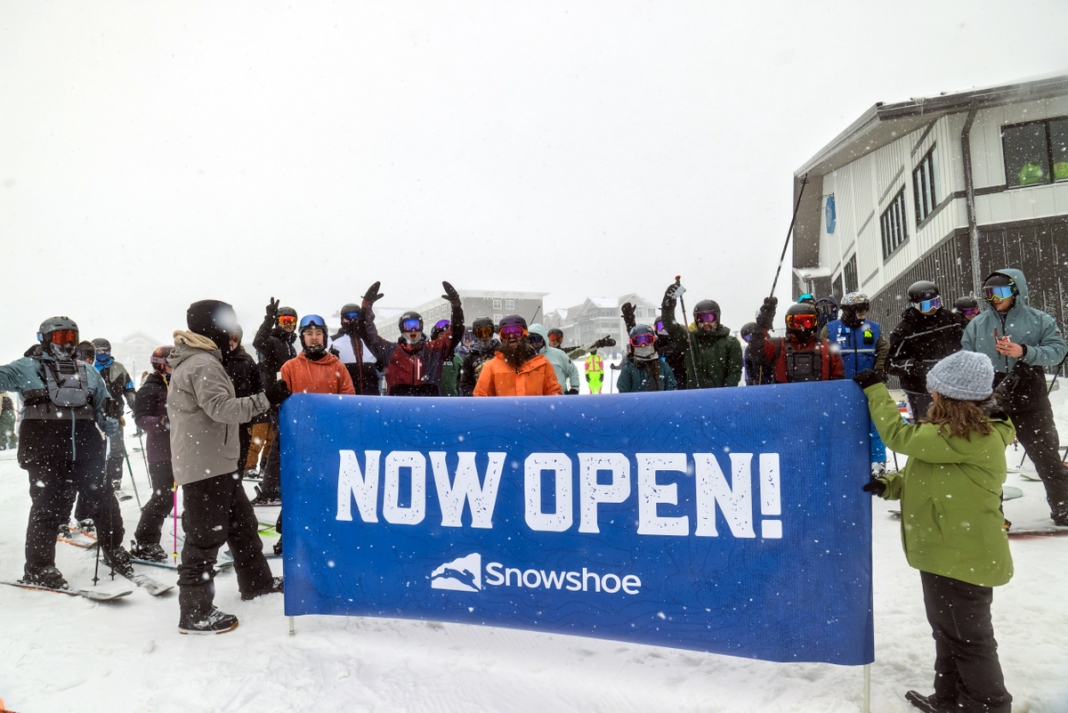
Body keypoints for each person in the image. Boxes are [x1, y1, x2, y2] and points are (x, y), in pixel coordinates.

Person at [855, 351, 1013, 713]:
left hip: (961, 558)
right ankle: (949, 699)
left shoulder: (970, 436)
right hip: (949, 554)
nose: (931, 394)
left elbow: (898, 436)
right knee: (949, 633)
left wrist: (876, 391)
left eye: (936, 390)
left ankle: (988, 705)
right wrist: (890, 485)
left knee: (969, 640)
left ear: (951, 397)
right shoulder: (955, 435)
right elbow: (929, 471)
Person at [168, 299, 290, 634]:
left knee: (242, 527)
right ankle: (194, 612)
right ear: (212, 326)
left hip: (217, 463)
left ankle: (256, 583)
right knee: (204, 538)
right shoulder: (202, 363)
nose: (231, 330)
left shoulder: (203, 359)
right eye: (226, 322)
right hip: (204, 467)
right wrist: (267, 398)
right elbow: (222, 409)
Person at [0, 317, 128, 589]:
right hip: (43, 449)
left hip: (86, 447)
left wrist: (109, 421)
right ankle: (39, 567)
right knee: (47, 507)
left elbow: (102, 404)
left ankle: (113, 548)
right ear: (45, 339)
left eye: (72, 337)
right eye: (61, 338)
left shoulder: (88, 371)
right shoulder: (26, 367)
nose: (68, 344)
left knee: (103, 499)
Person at [962, 269, 1068, 526]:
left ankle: (1064, 508)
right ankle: (992, 515)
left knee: (1046, 455)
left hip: (1031, 394)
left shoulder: (1039, 319)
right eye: (989, 293)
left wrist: (1025, 351)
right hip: (991, 396)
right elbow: (965, 358)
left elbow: (1059, 350)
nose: (994, 298)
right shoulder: (977, 325)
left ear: (1016, 291)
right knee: (986, 459)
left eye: (1000, 292)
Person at [822, 292, 890, 474]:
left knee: (874, 424)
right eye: (859, 308)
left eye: (866, 307)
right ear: (847, 310)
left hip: (868, 385)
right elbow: (822, 354)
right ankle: (846, 460)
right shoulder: (830, 329)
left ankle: (877, 462)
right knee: (843, 425)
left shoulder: (873, 328)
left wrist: (880, 370)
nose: (863, 312)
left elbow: (883, 350)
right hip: (841, 386)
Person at [360, 281, 464, 396]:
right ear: (402, 329)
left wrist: (456, 305)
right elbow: (368, 334)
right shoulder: (390, 351)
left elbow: (455, 333)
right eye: (408, 326)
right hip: (399, 404)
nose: (413, 330)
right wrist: (366, 306)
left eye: (416, 325)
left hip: (428, 403)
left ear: (421, 327)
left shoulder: (432, 350)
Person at [887, 280, 964, 422]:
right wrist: (918, 367)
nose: (933, 308)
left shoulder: (952, 320)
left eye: (936, 303)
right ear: (915, 305)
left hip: (953, 385)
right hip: (921, 390)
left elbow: (968, 345)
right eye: (927, 305)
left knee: (958, 425)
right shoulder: (904, 330)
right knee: (929, 428)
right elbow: (891, 363)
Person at [130, 346, 176, 563]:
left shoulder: (182, 383)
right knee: (164, 497)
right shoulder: (150, 388)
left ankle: (198, 533)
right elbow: (140, 418)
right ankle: (145, 540)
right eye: (172, 363)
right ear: (160, 366)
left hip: (185, 450)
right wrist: (162, 422)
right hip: (161, 452)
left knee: (194, 495)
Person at [251, 299, 298, 506]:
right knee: (279, 443)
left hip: (285, 397)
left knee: (281, 442)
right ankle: (271, 488)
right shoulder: (272, 340)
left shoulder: (290, 345)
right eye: (284, 320)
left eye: (291, 321)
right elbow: (258, 341)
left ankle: (276, 485)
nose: (287, 324)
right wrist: (269, 318)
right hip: (275, 397)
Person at [660, 284, 743, 388]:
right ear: (696, 320)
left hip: (721, 395)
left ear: (717, 318)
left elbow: (734, 372)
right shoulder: (689, 341)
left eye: (710, 317)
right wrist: (668, 305)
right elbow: (670, 325)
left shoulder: (731, 343)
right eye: (701, 318)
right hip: (695, 396)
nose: (706, 322)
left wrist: (724, 393)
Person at [748, 299, 845, 383]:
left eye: (807, 322)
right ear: (788, 324)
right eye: (796, 323)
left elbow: (839, 381)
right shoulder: (777, 346)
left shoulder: (828, 348)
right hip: (785, 396)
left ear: (815, 323)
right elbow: (756, 348)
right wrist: (763, 325)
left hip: (820, 396)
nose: (802, 327)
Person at [90, 338, 137, 494]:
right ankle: (98, 479)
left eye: (105, 350)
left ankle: (115, 478)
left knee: (116, 449)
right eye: (98, 351)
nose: (102, 354)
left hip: (115, 414)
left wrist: (135, 405)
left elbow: (129, 388)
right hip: (95, 415)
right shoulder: (90, 368)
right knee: (98, 448)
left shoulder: (119, 368)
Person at [474, 315, 562, 397]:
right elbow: (481, 399)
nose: (511, 336)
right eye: (506, 333)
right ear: (501, 338)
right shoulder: (491, 367)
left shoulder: (543, 365)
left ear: (525, 335)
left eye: (517, 332)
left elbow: (554, 397)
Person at [222, 325, 262, 477]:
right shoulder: (214, 360)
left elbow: (258, 389)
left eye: (235, 339)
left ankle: (236, 484)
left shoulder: (246, 361)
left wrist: (253, 417)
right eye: (228, 338)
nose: (231, 342)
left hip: (242, 421)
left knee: (239, 461)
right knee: (221, 466)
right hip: (220, 421)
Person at [329, 303, 380, 396]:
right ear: (342, 319)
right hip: (345, 397)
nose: (352, 320)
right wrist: (330, 359)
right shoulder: (332, 341)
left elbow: (384, 367)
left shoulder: (370, 341)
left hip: (371, 397)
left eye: (356, 316)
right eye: (348, 316)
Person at [616, 325, 677, 393]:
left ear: (654, 342)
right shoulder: (628, 369)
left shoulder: (663, 366)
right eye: (637, 341)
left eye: (647, 340)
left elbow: (671, 393)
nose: (643, 344)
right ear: (632, 345)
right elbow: (624, 395)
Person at [529, 324, 581, 394]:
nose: (534, 343)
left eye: (537, 339)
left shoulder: (558, 354)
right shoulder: (524, 358)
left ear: (544, 339)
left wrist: (574, 389)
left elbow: (572, 370)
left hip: (559, 396)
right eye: (530, 340)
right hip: (536, 398)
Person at [459, 317, 500, 397]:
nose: (484, 336)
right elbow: (465, 384)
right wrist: (474, 397)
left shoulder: (500, 353)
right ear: (475, 335)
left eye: (487, 332)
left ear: (492, 333)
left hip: (499, 397)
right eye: (479, 333)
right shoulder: (470, 358)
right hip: (479, 399)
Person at [433, 320, 464, 396]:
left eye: (448, 335)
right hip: (434, 400)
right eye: (441, 335)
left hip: (453, 400)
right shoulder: (430, 358)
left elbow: (463, 383)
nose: (445, 338)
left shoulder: (457, 360)